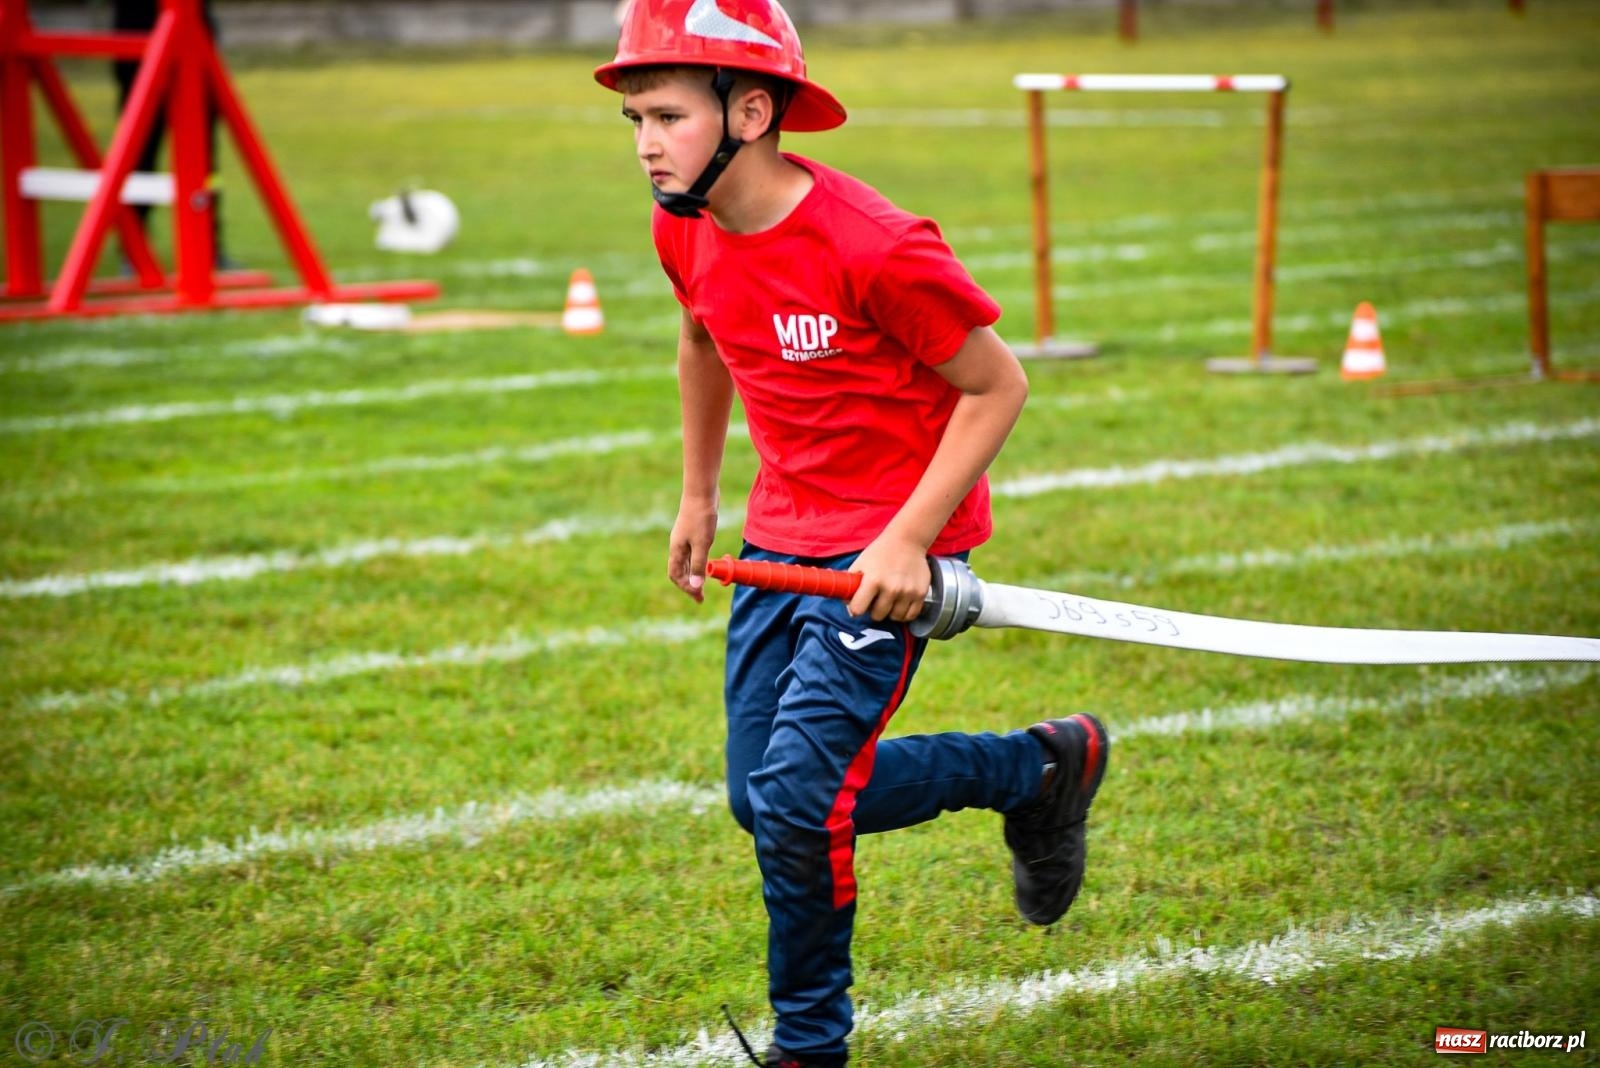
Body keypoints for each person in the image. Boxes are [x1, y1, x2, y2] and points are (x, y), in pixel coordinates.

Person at [594, 3, 1110, 1064]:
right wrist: (698, 496)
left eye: (666, 115)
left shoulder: (875, 245)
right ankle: (1036, 773)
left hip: (888, 550)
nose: (645, 140)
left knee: (795, 799)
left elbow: (995, 384)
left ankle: (810, 1045)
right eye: (634, 117)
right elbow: (701, 339)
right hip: (779, 541)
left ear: (750, 110)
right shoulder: (681, 222)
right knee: (765, 799)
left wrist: (908, 541)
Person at [111, 0, 235, 269]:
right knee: (139, 148)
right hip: (138, 30)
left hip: (192, 29)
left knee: (203, 156)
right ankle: (133, 249)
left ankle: (208, 247)